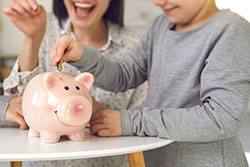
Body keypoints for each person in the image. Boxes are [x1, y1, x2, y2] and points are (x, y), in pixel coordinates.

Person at [50, 0, 250, 166]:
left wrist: (128, 122)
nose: (158, 2)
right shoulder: (161, 25)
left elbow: (220, 118)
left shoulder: (231, 30)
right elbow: (122, 75)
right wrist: (82, 56)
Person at [2, 0, 147, 166]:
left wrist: (98, 113)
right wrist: (31, 39)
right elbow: (16, 108)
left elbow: (140, 125)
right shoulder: (43, 29)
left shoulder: (137, 47)